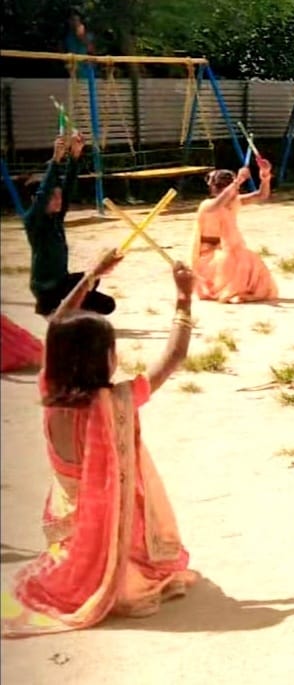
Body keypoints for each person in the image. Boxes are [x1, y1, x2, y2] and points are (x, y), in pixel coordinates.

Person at [2, 251, 200, 638]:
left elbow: (57, 325)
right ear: (106, 359)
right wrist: (183, 298)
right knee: (136, 539)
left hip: (68, 515)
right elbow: (174, 356)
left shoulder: (49, 388)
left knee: (85, 527)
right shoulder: (117, 402)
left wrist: (91, 276)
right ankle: (114, 565)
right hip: (107, 521)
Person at [24, 133, 115, 318]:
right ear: (37, 200)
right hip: (46, 289)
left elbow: (69, 186)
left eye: (59, 196)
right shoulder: (33, 220)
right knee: (90, 286)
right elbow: (43, 193)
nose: (59, 200)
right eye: (53, 197)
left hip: (62, 282)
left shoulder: (56, 217)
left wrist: (74, 155)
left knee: (105, 301)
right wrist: (55, 160)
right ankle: (50, 307)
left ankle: (67, 307)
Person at [191, 164, 278, 303]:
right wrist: (237, 181)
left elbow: (261, 195)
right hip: (208, 256)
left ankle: (243, 291)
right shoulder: (207, 205)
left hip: (227, 251)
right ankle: (232, 291)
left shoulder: (235, 201)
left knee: (248, 258)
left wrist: (265, 177)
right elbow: (217, 205)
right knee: (231, 259)